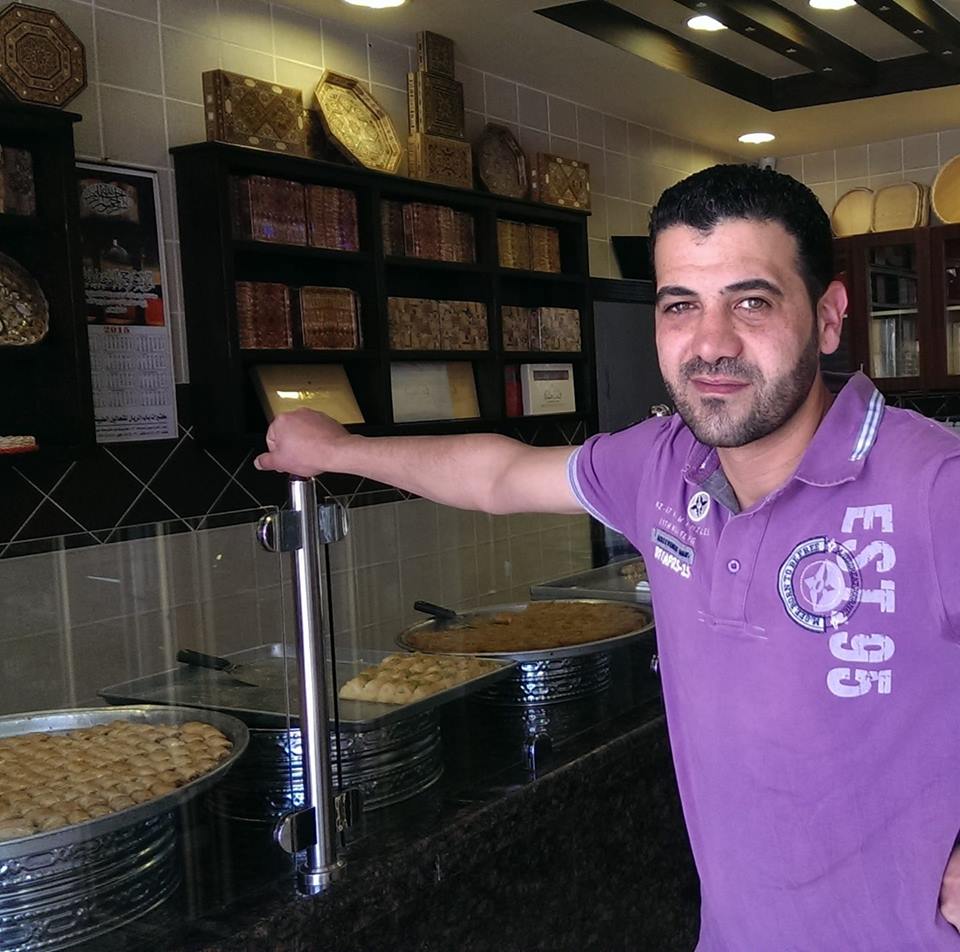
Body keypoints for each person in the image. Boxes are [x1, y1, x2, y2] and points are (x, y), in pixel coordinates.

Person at [256, 164, 960, 951]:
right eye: (680, 305)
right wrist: (339, 450)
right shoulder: (660, 467)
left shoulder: (932, 483)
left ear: (828, 319)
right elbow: (498, 476)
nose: (711, 344)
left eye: (751, 302)